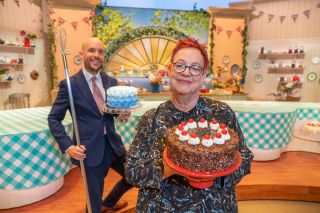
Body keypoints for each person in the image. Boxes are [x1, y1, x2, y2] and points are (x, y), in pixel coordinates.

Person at [125, 38, 254, 212]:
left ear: (203, 76)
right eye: (180, 65)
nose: (186, 72)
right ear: (169, 71)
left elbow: (244, 158)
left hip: (213, 206)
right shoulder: (152, 119)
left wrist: (218, 172)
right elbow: (132, 173)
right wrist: (167, 169)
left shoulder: (222, 113)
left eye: (195, 67)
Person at [48, 37, 132, 213]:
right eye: (92, 50)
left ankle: (108, 204)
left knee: (134, 176)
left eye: (100, 52)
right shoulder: (69, 85)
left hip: (113, 145)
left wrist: (122, 113)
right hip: (90, 150)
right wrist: (68, 146)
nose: (96, 55)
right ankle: (99, 207)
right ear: (82, 54)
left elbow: (112, 112)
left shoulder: (111, 82)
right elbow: (54, 119)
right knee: (92, 203)